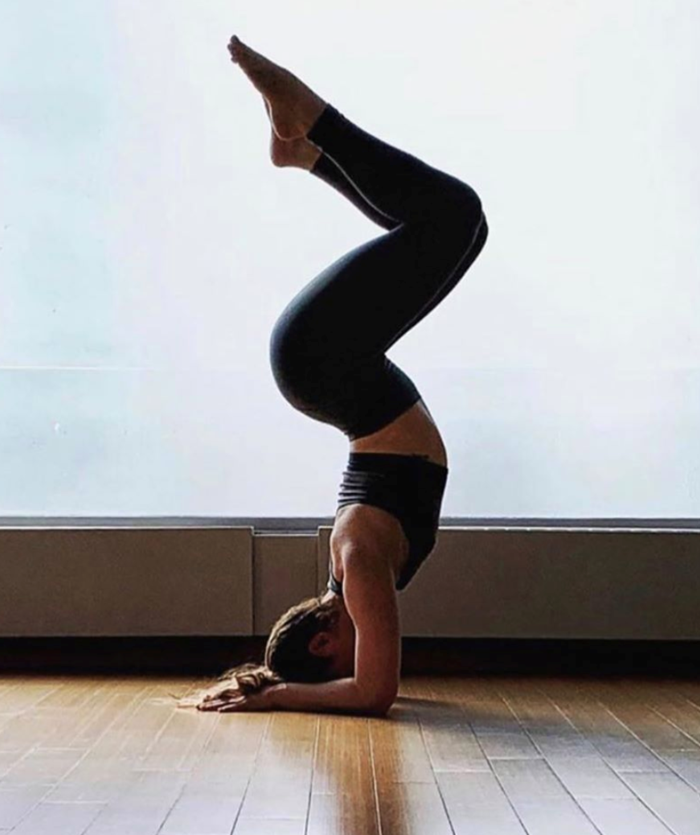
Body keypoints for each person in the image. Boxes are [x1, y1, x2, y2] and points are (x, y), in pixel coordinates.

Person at [195, 35, 488, 716]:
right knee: (459, 225)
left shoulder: (355, 564)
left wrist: (276, 699)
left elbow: (374, 692)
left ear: (327, 641)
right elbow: (376, 683)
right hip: (331, 368)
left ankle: (311, 126)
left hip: (323, 360)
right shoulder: (355, 569)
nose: (369, 650)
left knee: (454, 216)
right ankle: (306, 149)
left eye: (344, 658)